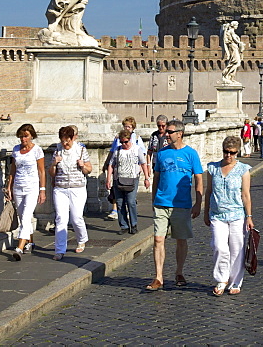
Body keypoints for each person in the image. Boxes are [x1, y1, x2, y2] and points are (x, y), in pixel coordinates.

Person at [146, 120, 203, 291]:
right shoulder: (162, 154)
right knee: (158, 239)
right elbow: (156, 177)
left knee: (181, 240)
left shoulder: (191, 154)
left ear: (180, 133)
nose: (166, 135)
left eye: (170, 132)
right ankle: (158, 277)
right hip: (162, 202)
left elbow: (199, 179)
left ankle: (179, 272)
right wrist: (153, 198)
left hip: (182, 204)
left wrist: (198, 203)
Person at [203, 135, 254, 296]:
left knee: (237, 249)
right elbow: (209, 191)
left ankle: (235, 281)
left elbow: (245, 194)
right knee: (219, 246)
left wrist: (249, 216)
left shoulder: (243, 170)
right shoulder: (213, 168)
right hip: (217, 214)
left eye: (232, 152)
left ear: (237, 152)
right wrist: (206, 212)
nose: (228, 155)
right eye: (226, 152)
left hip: (237, 214)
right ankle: (221, 278)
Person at [5, 123, 46, 261]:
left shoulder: (37, 150)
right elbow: (13, 170)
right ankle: (31, 242)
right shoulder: (16, 150)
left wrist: (42, 189)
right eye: (21, 136)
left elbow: (41, 171)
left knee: (26, 216)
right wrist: (9, 187)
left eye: (26, 136)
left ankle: (19, 247)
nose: (23, 139)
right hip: (18, 186)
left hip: (32, 187)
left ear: (31, 136)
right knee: (23, 217)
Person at [51, 126, 91, 260]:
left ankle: (82, 238)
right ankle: (60, 250)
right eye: (63, 140)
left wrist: (82, 166)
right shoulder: (57, 150)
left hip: (77, 188)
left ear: (72, 138)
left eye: (67, 140)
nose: (65, 143)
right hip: (60, 188)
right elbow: (51, 173)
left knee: (76, 217)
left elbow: (89, 169)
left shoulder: (81, 150)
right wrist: (54, 164)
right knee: (61, 219)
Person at [106, 128, 148, 235]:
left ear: (130, 140)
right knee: (120, 203)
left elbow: (143, 163)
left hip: (132, 178)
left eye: (126, 141)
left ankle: (133, 224)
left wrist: (147, 178)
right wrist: (108, 179)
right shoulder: (118, 150)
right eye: (122, 142)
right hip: (118, 179)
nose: (124, 144)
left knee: (131, 202)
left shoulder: (136, 149)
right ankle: (124, 225)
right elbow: (111, 164)